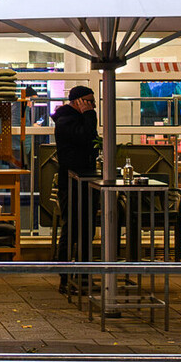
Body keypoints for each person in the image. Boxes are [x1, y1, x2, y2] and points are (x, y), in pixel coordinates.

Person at [51, 86, 100, 260]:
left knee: (87, 229)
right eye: (90, 101)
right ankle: (66, 274)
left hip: (84, 181)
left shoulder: (75, 119)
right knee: (72, 228)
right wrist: (89, 116)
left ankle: (83, 272)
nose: (93, 106)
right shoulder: (66, 120)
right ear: (78, 101)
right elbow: (87, 138)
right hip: (72, 183)